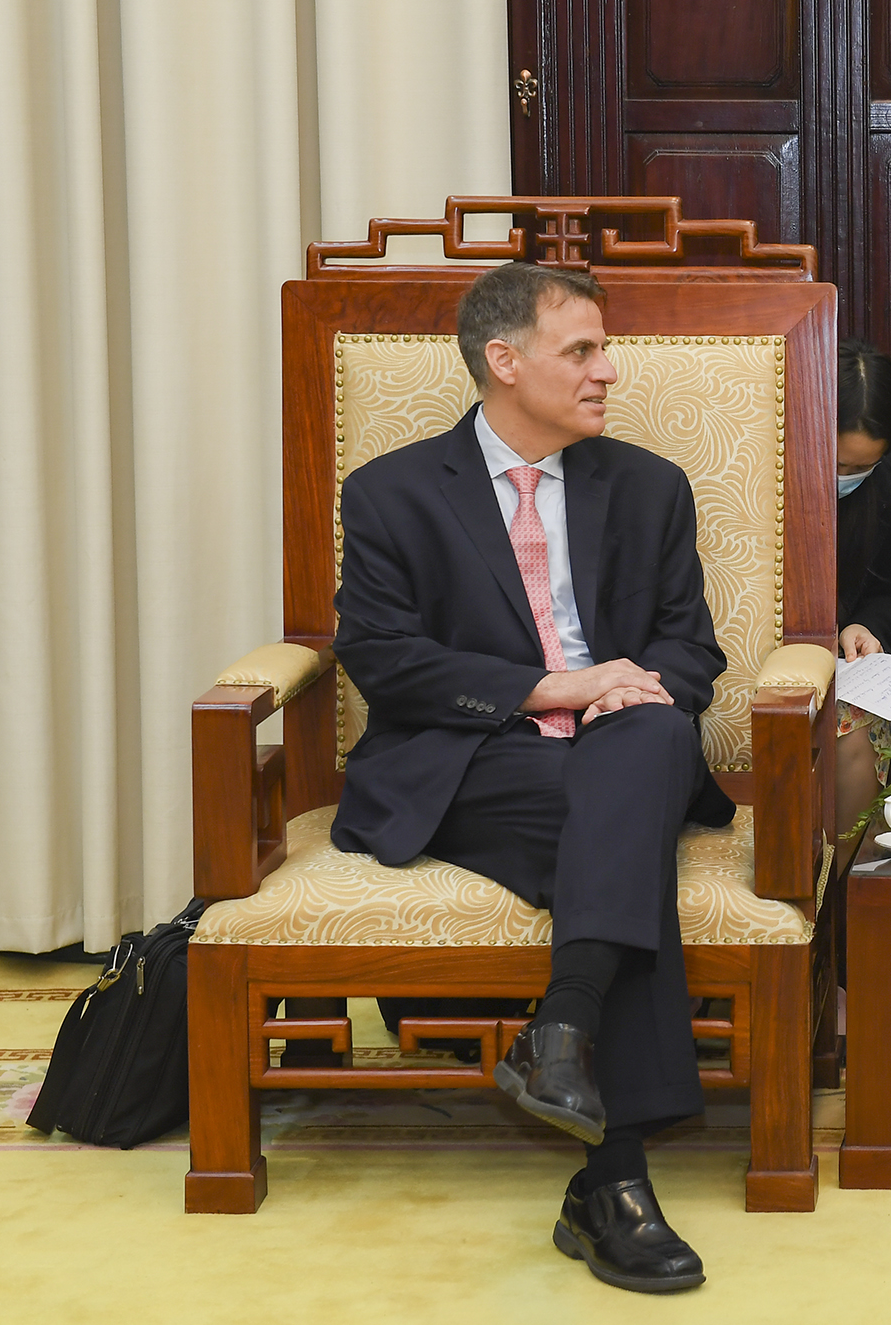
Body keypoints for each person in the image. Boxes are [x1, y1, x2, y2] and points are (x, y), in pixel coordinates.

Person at [330, 260, 734, 1294]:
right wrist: (557, 687)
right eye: (582, 350)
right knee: (622, 832)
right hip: (473, 757)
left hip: (623, 746)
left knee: (647, 740)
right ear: (504, 362)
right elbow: (385, 661)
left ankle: (567, 1045)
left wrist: (624, 689)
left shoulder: (647, 487)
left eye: (605, 348)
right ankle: (611, 1179)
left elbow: (691, 648)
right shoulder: (390, 494)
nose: (609, 371)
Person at [831, 339, 891, 844]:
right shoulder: (761, 463)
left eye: (860, 469)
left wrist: (864, 625)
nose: (845, 479)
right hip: (755, 647)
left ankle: (838, 885)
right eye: (838, 464)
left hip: (844, 663)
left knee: (858, 728)